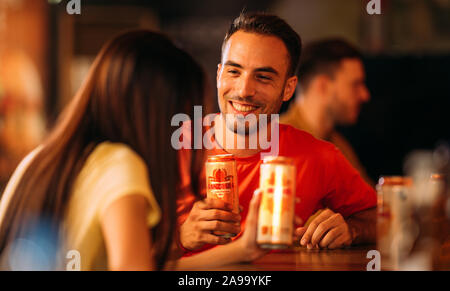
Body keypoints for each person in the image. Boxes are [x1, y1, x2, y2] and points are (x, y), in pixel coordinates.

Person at [0, 30, 264, 270]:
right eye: (183, 117)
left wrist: (239, 250)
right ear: (157, 114)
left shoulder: (41, 159)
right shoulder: (120, 166)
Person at [177, 12, 377, 256]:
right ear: (219, 75)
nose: (244, 90)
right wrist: (181, 237)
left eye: (263, 77)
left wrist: (351, 229)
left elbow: (381, 218)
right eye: (234, 71)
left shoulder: (318, 155)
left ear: (288, 88)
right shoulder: (173, 147)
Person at [280, 39, 373, 186]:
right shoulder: (280, 143)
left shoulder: (340, 146)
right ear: (323, 86)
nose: (365, 95)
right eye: (355, 85)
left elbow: (370, 204)